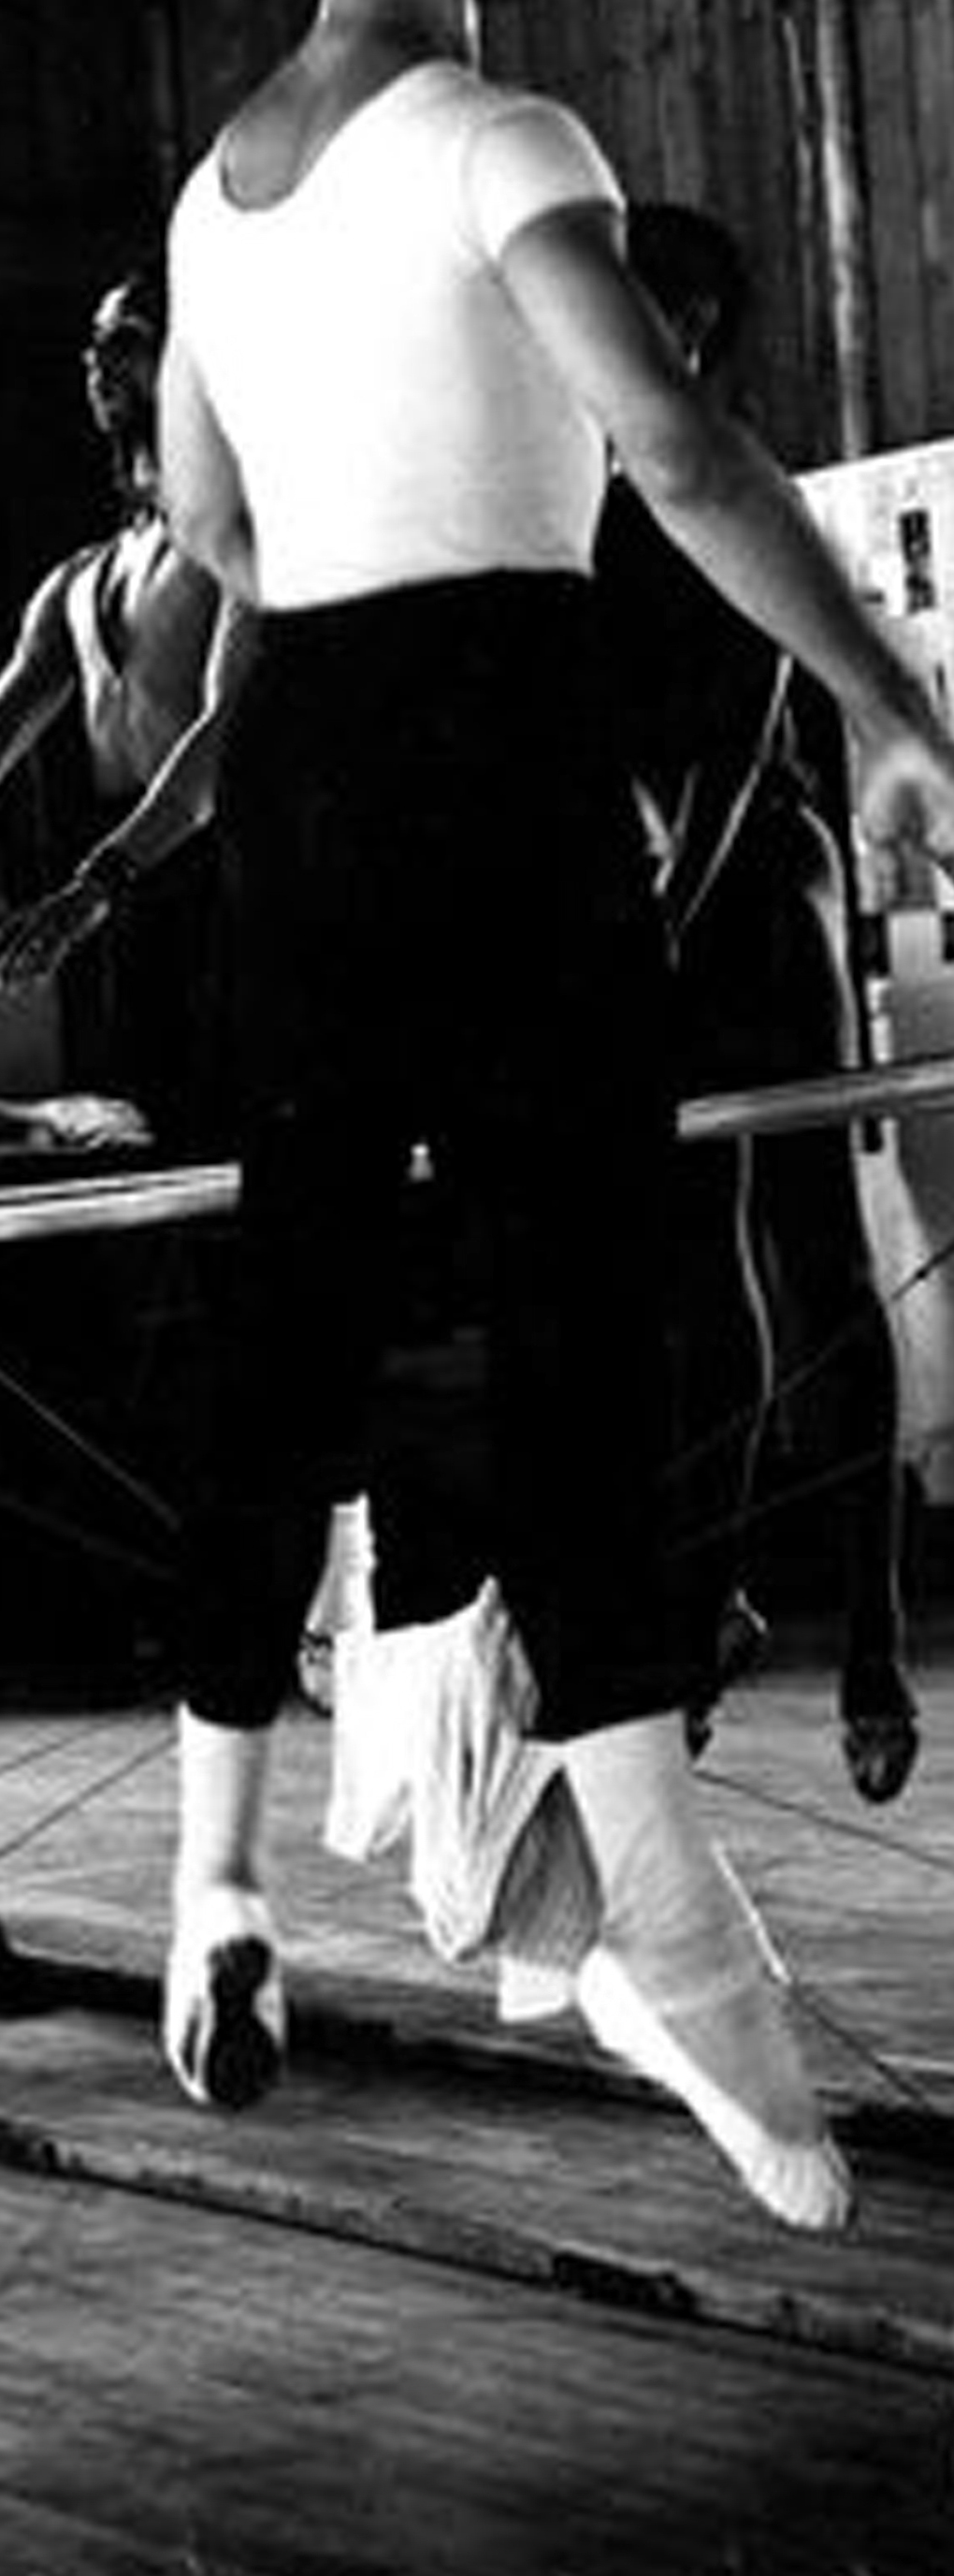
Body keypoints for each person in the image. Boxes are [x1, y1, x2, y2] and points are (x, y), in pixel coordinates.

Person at [152, 0, 954, 2229]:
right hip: (494, 735)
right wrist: (896, 701)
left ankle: (218, 1880)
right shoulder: (501, 133)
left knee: (293, 1314)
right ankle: (663, 1935)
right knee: (583, 1311)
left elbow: (216, 533)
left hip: (307, 756)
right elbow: (682, 450)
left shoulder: (218, 185)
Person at [600, 202, 920, 1806]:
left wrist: (664, 909)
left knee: (815, 1254)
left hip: (761, 902)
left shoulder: (731, 480)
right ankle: (712, 1594)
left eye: (647, 306)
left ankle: (869, 1623)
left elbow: (735, 745)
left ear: (698, 329)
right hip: (647, 904)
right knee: (689, 1281)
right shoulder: (576, 504)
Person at [0, 268, 256, 1148]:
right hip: (123, 902)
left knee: (227, 1149)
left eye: (128, 340)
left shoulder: (237, 537)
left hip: (222, 881)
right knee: (136, 1165)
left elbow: (221, 744)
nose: (98, 361)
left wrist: (90, 888)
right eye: (93, 345)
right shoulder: (79, 580)